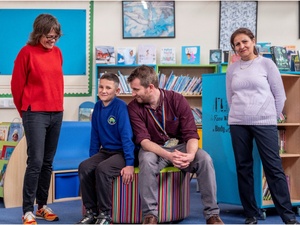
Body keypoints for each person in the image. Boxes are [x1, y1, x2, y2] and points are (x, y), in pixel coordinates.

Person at [127, 65, 224, 225]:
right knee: (146, 159)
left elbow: (191, 134)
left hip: (180, 146)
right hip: (154, 148)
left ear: (150, 87)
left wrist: (191, 155)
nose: (133, 93)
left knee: (204, 159)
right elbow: (144, 141)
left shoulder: (177, 99)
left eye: (136, 89)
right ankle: (150, 215)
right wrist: (168, 155)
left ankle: (212, 215)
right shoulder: (134, 107)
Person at [226, 27, 300, 225]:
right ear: (234, 48)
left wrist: (270, 117)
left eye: (244, 42)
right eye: (237, 44)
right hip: (238, 123)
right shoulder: (232, 68)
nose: (241, 47)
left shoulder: (267, 64)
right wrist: (240, 114)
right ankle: (251, 214)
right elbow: (230, 97)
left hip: (265, 122)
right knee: (243, 168)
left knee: (273, 167)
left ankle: (288, 215)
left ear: (253, 41)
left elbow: (280, 95)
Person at [11, 14, 64, 224]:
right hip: (35, 113)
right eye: (49, 36)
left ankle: (42, 206)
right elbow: (17, 87)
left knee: (48, 163)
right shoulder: (26, 53)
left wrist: (58, 107)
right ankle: (27, 210)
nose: (52, 40)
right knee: (36, 161)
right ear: (38, 33)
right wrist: (26, 113)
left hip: (56, 112)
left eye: (55, 36)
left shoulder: (58, 53)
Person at [77, 73, 136, 224]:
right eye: (101, 87)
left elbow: (126, 137)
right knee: (84, 166)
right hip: (106, 151)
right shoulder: (97, 107)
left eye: (108, 88)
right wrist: (92, 159)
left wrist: (130, 163)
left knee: (103, 169)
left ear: (116, 91)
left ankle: (105, 214)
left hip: (122, 152)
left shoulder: (121, 107)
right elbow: (95, 136)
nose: (103, 90)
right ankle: (91, 211)